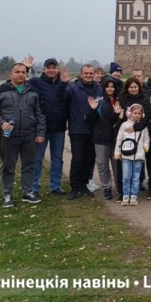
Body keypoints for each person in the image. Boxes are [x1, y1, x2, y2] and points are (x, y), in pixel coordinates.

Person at [0, 62, 46, 208]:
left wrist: (40, 132)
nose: (20, 75)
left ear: (26, 74)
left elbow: (40, 114)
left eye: (23, 72)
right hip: (8, 136)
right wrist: (0, 122)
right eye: (17, 72)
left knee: (28, 165)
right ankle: (7, 194)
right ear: (10, 74)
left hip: (29, 135)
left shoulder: (33, 92)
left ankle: (27, 192)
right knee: (8, 166)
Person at [23, 56, 68, 196]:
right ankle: (34, 187)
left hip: (59, 127)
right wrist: (26, 68)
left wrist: (64, 83)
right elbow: (20, 82)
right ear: (44, 69)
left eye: (54, 68)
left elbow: (64, 99)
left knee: (57, 159)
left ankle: (55, 185)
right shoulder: (36, 82)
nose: (51, 70)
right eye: (49, 68)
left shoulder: (63, 83)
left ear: (58, 69)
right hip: (41, 128)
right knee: (37, 158)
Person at [57, 64, 102, 200]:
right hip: (77, 129)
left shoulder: (98, 89)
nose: (88, 75)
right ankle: (75, 186)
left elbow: (99, 106)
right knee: (77, 159)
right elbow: (61, 98)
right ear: (81, 74)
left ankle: (84, 185)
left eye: (91, 73)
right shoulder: (73, 88)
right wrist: (62, 84)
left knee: (89, 159)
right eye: (86, 73)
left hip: (93, 129)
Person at [90, 76, 122, 200]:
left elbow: (116, 120)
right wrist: (92, 110)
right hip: (101, 138)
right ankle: (106, 187)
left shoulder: (119, 101)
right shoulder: (100, 101)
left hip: (115, 138)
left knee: (116, 165)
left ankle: (120, 187)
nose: (110, 89)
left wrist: (117, 113)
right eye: (108, 86)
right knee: (103, 164)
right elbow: (92, 119)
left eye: (112, 86)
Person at [120, 77, 151, 199]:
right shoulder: (123, 99)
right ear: (127, 88)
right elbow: (121, 117)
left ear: (139, 87)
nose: (133, 89)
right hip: (126, 134)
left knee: (138, 163)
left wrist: (136, 127)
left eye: (135, 87)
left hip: (139, 132)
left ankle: (135, 190)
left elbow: (147, 115)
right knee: (126, 168)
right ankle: (124, 192)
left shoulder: (144, 99)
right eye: (131, 87)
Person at [114, 104, 150, 206]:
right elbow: (119, 139)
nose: (137, 115)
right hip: (126, 156)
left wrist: (146, 146)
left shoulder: (143, 126)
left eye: (139, 113)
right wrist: (117, 152)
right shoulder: (124, 125)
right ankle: (126, 195)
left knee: (136, 176)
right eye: (135, 113)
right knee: (126, 176)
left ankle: (134, 195)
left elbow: (146, 138)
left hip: (138, 155)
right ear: (130, 113)